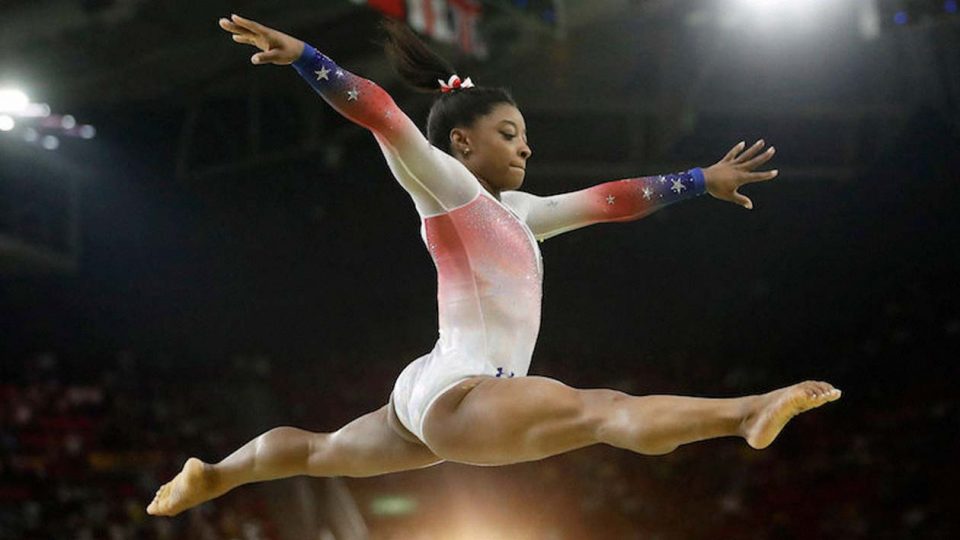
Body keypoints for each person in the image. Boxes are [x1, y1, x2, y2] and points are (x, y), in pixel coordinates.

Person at [147, 14, 841, 517]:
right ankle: (746, 412)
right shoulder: (448, 186)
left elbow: (608, 200)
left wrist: (697, 179)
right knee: (600, 410)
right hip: (461, 393)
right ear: (460, 142)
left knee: (320, 451)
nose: (525, 149)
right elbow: (383, 114)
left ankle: (212, 475)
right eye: (509, 134)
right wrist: (307, 57)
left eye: (527, 137)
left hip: (432, 385)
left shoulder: (523, 214)